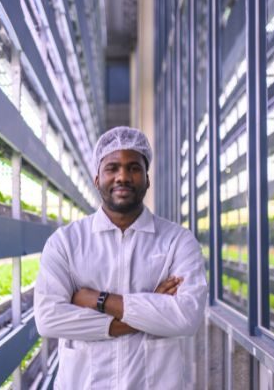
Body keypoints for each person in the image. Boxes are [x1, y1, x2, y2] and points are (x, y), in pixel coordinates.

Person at [34, 126, 208, 389]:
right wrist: (148, 311)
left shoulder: (178, 241)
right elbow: (48, 319)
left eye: (134, 168)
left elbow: (187, 317)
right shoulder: (66, 242)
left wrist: (99, 300)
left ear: (147, 179)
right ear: (97, 179)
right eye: (112, 167)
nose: (123, 176)